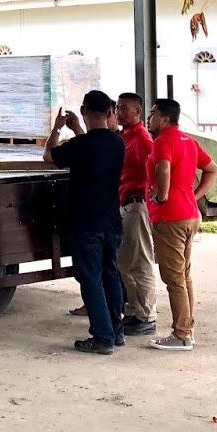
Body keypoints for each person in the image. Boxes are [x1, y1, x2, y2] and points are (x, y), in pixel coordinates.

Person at [44, 90, 128, 355]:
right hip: (111, 222)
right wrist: (79, 129)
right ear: (110, 113)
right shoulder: (118, 143)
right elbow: (92, 147)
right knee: (110, 275)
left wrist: (57, 130)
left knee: (91, 279)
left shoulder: (80, 146)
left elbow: (50, 156)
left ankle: (102, 337)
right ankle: (116, 331)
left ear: (84, 111)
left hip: (85, 222)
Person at [146, 98, 217, 351]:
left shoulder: (163, 141)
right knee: (184, 275)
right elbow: (212, 169)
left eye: (153, 113)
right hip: (189, 214)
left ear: (164, 118)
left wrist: (163, 195)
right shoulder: (189, 141)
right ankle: (187, 328)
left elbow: (163, 167)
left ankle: (182, 335)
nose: (149, 117)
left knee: (173, 277)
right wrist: (194, 195)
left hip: (171, 217)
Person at [115, 92, 159, 338]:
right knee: (126, 262)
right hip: (125, 203)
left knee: (140, 261)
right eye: (118, 107)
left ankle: (147, 315)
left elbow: (154, 170)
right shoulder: (124, 137)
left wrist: (152, 200)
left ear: (137, 112)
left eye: (124, 108)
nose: (119, 112)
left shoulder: (142, 140)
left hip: (137, 203)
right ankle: (134, 310)